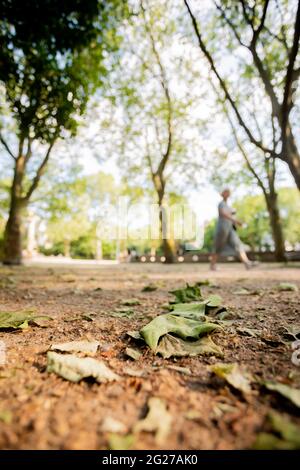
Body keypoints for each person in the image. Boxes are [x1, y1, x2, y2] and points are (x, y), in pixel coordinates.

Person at [210, 189, 256, 271]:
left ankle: (247, 263)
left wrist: (236, 221)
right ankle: (212, 265)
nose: (228, 194)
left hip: (230, 229)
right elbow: (223, 214)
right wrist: (236, 221)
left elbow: (231, 216)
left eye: (229, 192)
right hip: (222, 229)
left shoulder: (229, 206)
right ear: (223, 194)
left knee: (237, 244)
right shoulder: (221, 204)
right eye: (226, 192)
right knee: (218, 247)